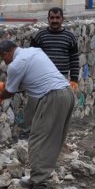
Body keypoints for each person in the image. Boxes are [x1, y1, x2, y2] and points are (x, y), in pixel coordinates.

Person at [0, 39, 74, 189]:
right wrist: (2, 85)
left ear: (7, 53)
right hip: (67, 93)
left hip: (52, 97)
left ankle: (40, 186)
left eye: (3, 58)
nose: (4, 62)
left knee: (37, 139)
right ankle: (38, 178)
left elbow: (10, 92)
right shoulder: (34, 52)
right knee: (52, 139)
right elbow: (29, 81)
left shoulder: (15, 64)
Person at [18, 7, 79, 139]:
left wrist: (74, 80)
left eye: (57, 18)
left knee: (57, 107)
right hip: (40, 78)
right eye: (52, 18)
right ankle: (28, 131)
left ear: (62, 19)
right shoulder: (40, 36)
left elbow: (74, 60)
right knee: (33, 104)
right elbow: (31, 57)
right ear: (48, 19)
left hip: (60, 79)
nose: (55, 21)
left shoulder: (70, 38)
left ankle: (54, 134)